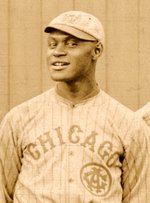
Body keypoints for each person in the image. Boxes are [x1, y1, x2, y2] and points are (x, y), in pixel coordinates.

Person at [0, 10, 149, 203]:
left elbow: (139, 197)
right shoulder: (19, 118)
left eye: (72, 43)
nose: (58, 51)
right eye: (52, 44)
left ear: (97, 51)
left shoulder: (129, 125)